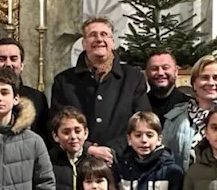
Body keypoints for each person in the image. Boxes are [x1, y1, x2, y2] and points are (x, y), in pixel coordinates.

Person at [50, 17, 148, 164]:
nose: (99, 39)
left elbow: (142, 121)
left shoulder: (133, 78)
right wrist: (88, 148)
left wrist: (112, 150)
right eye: (93, 35)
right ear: (84, 43)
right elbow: (57, 124)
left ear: (112, 42)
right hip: (78, 162)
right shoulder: (64, 81)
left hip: (123, 161)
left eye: (104, 34)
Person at [0, 37, 49, 142]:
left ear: (21, 65)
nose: (8, 64)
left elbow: (45, 139)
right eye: (2, 59)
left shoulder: (37, 98)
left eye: (13, 59)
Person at [144, 51, 191, 121]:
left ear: (176, 72)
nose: (160, 73)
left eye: (165, 68)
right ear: (147, 73)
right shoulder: (140, 105)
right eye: (154, 69)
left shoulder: (189, 106)